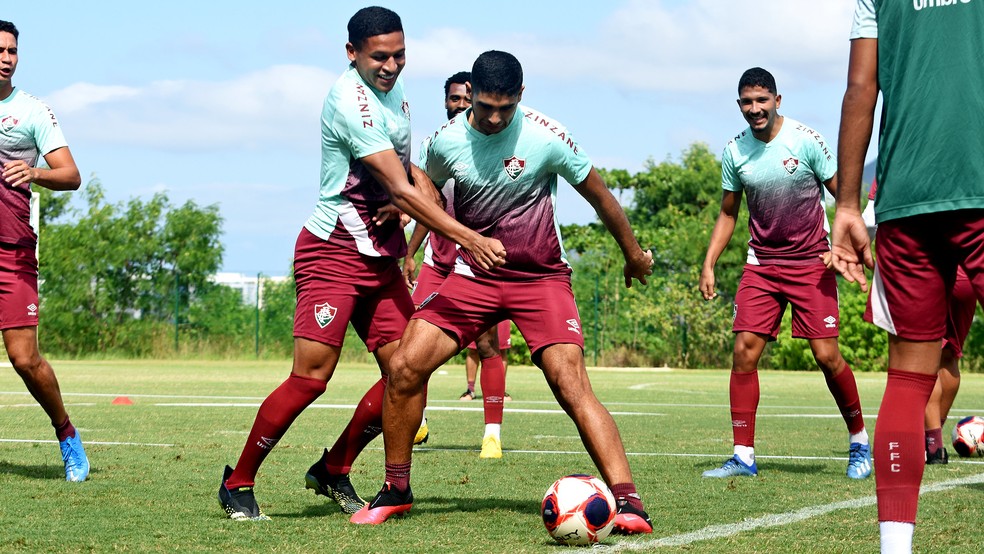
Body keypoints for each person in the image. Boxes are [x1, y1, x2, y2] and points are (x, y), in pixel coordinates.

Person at [350, 50, 655, 536]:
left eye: (505, 108)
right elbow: (423, 182)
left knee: (569, 383)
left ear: (521, 97)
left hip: (541, 280)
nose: (494, 118)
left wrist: (633, 253)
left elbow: (599, 194)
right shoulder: (447, 141)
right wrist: (418, 222)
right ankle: (396, 489)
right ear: (472, 95)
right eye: (486, 106)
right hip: (472, 279)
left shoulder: (547, 137)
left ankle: (630, 503)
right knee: (406, 367)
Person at [218, 7, 503, 521]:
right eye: (379, 57)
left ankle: (334, 467)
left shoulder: (395, 95)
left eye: (399, 55)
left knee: (407, 371)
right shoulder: (351, 101)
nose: (391, 65)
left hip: (380, 258)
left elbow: (404, 172)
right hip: (332, 253)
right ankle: (237, 480)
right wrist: (467, 237)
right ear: (352, 54)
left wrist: (417, 192)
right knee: (311, 378)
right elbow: (396, 184)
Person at [831, 0, 984, 551]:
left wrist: (847, 204)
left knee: (907, 379)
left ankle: (895, 549)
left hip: (905, 197)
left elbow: (859, 89)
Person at [699, 67, 871, 480]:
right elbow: (728, 212)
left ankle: (860, 442)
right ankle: (743, 455)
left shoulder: (807, 141)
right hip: (761, 265)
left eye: (761, 100)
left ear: (778, 100)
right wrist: (709, 262)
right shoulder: (734, 152)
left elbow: (846, 197)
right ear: (739, 104)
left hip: (812, 262)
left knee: (826, 356)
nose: (754, 109)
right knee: (744, 352)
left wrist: (843, 244)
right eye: (746, 102)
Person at [403, 71, 510, 458]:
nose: (460, 105)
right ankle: (418, 422)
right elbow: (425, 208)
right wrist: (411, 253)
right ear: (446, 102)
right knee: (414, 342)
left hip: (479, 265)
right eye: (454, 99)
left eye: (467, 99)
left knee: (486, 345)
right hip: (437, 262)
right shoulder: (439, 148)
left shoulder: (497, 147)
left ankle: (492, 434)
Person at [0, 20, 87, 482]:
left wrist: (33, 173)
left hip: (12, 250)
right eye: (0, 49)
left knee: (24, 360)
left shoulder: (32, 111)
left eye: (12, 50)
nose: (6, 57)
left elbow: (72, 175)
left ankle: (67, 435)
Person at [863, 181, 973, 466]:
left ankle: (931, 445)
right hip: (967, 271)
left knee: (917, 360)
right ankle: (933, 438)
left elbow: (869, 218)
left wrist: (853, 249)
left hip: (920, 266)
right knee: (950, 356)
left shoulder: (901, 151)